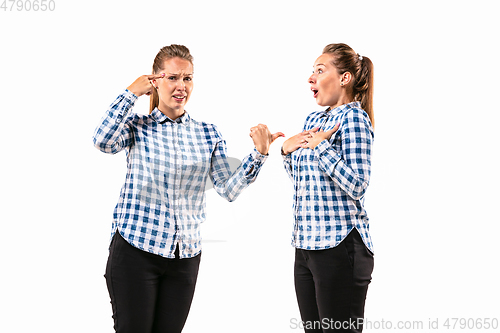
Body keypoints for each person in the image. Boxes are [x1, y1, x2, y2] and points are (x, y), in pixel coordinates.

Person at [92, 44, 283, 333]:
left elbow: (228, 189)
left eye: (188, 78)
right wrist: (130, 93)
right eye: (172, 77)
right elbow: (102, 141)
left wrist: (258, 154)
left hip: (185, 257)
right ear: (155, 81)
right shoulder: (137, 125)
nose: (181, 86)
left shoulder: (208, 133)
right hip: (135, 251)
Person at [281, 43, 375, 333]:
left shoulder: (354, 119)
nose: (311, 78)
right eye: (312, 71)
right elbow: (302, 178)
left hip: (340, 246)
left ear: (344, 78)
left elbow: (358, 184)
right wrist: (286, 150)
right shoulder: (314, 119)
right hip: (306, 247)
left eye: (320, 71)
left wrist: (321, 146)